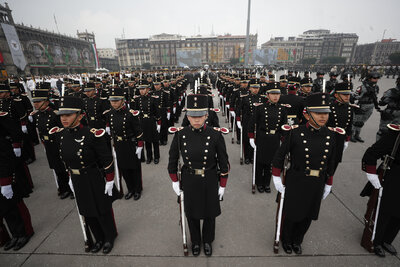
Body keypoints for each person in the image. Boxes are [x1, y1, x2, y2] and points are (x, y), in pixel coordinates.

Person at [272, 93, 341, 255]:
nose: (324, 116)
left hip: (317, 181)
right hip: (297, 179)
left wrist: (329, 183)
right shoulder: (296, 133)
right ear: (306, 114)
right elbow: (280, 156)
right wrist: (276, 177)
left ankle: (298, 240)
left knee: (308, 215)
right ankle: (286, 239)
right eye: (318, 113)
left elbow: (331, 162)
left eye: (326, 113)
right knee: (292, 213)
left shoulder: (331, 135)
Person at [51, 96, 117, 254]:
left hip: (92, 176)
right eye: (61, 115)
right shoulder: (61, 135)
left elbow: (106, 159)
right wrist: (70, 178)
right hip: (76, 178)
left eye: (68, 115)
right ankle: (98, 238)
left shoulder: (91, 134)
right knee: (86, 210)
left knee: (101, 208)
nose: (64, 118)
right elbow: (66, 160)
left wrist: (109, 180)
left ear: (80, 115)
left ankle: (109, 236)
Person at [168, 94, 229, 257]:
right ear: (187, 116)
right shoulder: (180, 135)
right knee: (191, 213)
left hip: (209, 178)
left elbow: (224, 161)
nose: (196, 120)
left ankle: (207, 240)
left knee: (209, 213)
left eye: (200, 116)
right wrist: (174, 180)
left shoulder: (215, 135)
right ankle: (195, 241)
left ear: (206, 116)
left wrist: (222, 184)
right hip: (189, 178)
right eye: (193, 116)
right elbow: (172, 159)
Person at [362, 123, 400, 257]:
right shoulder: (396, 136)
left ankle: (387, 240)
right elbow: (372, 153)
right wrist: (372, 174)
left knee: (398, 214)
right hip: (394, 177)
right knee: (385, 211)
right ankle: (375, 240)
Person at [30, 84, 73, 199]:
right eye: (34, 102)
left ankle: (72, 188)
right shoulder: (37, 115)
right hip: (48, 145)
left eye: (38, 102)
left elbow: (64, 130)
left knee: (65, 167)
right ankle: (63, 187)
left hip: (58, 144)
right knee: (56, 167)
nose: (35, 104)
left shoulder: (55, 114)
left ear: (46, 101)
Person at [105, 87, 144, 201]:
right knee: (124, 168)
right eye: (112, 101)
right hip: (119, 144)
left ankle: (137, 189)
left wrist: (140, 145)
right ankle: (130, 189)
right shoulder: (110, 113)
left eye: (116, 101)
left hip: (130, 144)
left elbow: (138, 131)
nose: (114, 103)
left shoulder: (130, 114)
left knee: (134, 168)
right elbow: (110, 126)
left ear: (122, 100)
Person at [248, 82, 287, 193]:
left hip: (275, 138)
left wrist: (285, 141)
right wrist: (251, 137)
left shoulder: (282, 109)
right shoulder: (260, 108)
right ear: (267, 95)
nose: (276, 96)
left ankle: (266, 183)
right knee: (260, 162)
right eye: (273, 94)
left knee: (271, 162)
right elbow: (252, 123)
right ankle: (259, 182)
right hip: (262, 137)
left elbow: (284, 127)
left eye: (278, 94)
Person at [352, 72, 381, 142]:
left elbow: (375, 97)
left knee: (362, 122)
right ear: (369, 78)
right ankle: (351, 135)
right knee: (356, 121)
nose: (376, 80)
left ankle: (357, 135)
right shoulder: (361, 87)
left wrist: (376, 106)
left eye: (377, 78)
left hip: (370, 106)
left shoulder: (376, 87)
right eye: (374, 78)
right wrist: (363, 95)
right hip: (362, 105)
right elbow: (354, 97)